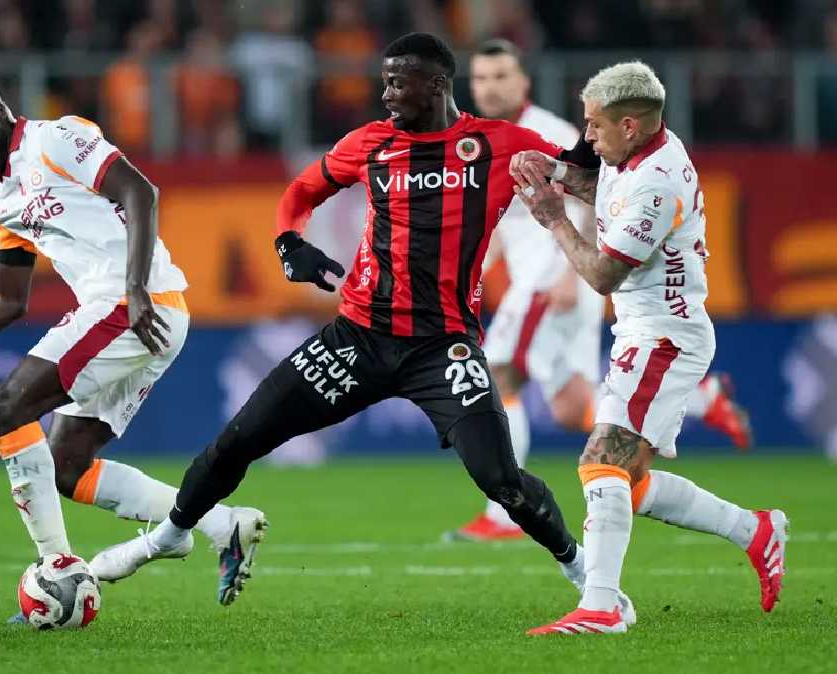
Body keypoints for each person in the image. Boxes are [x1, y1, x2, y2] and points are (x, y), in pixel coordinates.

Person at [100, 32, 633, 623]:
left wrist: (596, 137)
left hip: (443, 349)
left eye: (398, 82)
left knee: (501, 480)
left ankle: (582, 571)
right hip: (356, 338)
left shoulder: (499, 143)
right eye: (385, 81)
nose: (386, 94)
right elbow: (302, 191)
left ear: (436, 85)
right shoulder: (369, 143)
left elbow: (582, 172)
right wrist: (289, 243)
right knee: (237, 441)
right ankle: (169, 535)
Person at [0, 76, 267, 610]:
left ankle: (56, 568)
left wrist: (135, 287)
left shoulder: (53, 139)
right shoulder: (3, 202)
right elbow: (7, 300)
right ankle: (222, 525)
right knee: (66, 465)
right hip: (132, 314)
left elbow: (140, 191)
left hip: (132, 305)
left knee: (7, 406)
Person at [510, 61, 788, 635]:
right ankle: (753, 530)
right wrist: (554, 171)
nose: (587, 136)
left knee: (600, 463)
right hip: (646, 331)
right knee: (628, 482)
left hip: (662, 336)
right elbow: (606, 189)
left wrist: (555, 220)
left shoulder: (658, 184)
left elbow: (602, 274)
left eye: (594, 125)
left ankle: (602, 605)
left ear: (629, 125)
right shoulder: (638, 154)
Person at [449, 39, 754, 543]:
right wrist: (475, 267)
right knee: (571, 409)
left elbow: (601, 198)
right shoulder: (486, 138)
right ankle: (703, 402)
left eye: (501, 76)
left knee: (498, 377)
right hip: (542, 277)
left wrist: (568, 277)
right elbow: (505, 220)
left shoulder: (550, 132)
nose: (490, 87)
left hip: (555, 277)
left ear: (523, 81)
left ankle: (503, 514)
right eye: (481, 78)